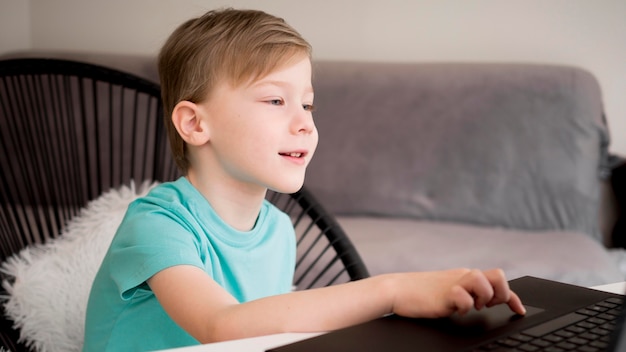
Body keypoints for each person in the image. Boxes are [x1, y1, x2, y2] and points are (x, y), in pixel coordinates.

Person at [83, 8, 526, 351]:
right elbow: (222, 327)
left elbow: (265, 334)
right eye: (276, 100)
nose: (304, 124)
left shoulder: (278, 231)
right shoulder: (156, 224)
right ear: (196, 124)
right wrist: (392, 290)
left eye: (308, 105)